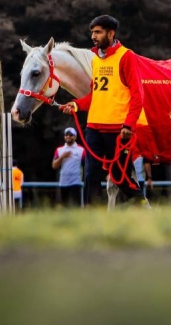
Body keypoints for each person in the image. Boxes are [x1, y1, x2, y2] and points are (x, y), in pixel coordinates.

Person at [60, 15, 145, 205]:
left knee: (119, 176)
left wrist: (129, 125)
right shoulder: (95, 59)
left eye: (98, 32)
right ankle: (91, 214)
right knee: (91, 174)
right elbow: (94, 95)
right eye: (92, 32)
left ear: (111, 33)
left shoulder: (126, 56)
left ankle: (143, 205)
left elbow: (138, 95)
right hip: (94, 128)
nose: (93, 36)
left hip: (118, 129)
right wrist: (76, 104)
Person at [52, 127, 85, 207]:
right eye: (66, 135)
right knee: (65, 205)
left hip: (76, 181)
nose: (68, 137)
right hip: (63, 181)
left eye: (71, 135)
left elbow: (86, 165)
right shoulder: (59, 150)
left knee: (76, 205)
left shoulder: (81, 150)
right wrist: (62, 157)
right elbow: (54, 165)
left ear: (75, 137)